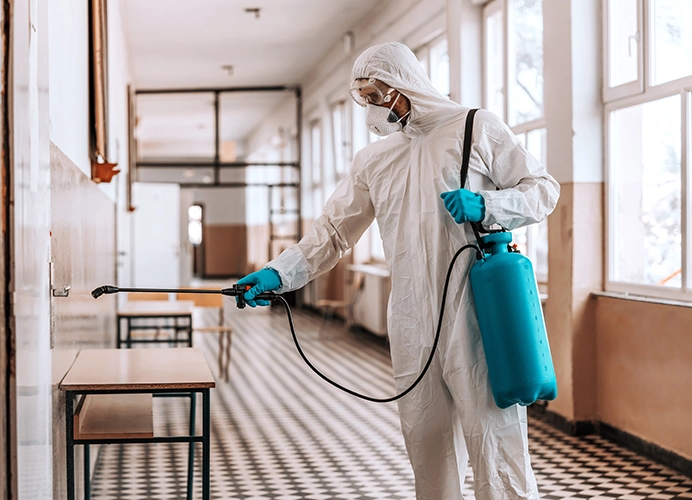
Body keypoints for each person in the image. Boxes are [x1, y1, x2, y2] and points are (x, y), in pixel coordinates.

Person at [237, 42, 559, 500]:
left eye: (379, 94)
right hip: (410, 320)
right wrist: (276, 275)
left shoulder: (473, 127)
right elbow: (332, 233)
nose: (373, 106)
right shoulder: (374, 160)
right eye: (365, 97)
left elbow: (543, 190)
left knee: (495, 445)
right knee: (427, 449)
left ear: (405, 84)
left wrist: (490, 204)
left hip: (477, 314)